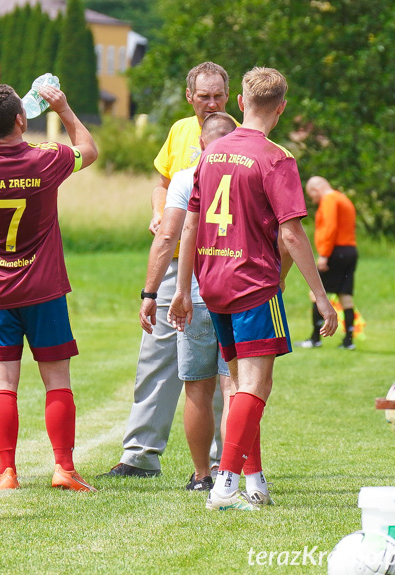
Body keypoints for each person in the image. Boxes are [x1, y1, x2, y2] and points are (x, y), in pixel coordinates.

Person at [168, 67, 338, 511]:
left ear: (240, 103)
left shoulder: (211, 152)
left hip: (214, 283)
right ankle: (225, 486)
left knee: (243, 385)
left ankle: (254, 480)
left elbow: (190, 222)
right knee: (254, 387)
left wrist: (184, 288)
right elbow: (292, 236)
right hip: (254, 286)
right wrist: (322, 298)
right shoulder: (277, 159)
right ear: (281, 108)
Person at [0, 84, 98, 491]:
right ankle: (64, 468)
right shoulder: (45, 158)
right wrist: (65, 108)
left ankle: (7, 472)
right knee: (57, 379)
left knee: (2, 383)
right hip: (44, 289)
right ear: (22, 119)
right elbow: (88, 150)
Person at [103, 61, 234, 479]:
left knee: (214, 366)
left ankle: (219, 459)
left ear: (228, 97)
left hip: (220, 262)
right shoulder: (180, 131)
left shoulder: (238, 133)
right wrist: (160, 211)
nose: (211, 103)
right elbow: (162, 181)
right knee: (156, 356)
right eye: (204, 96)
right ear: (189, 97)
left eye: (218, 96)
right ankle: (140, 455)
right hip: (177, 260)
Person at [138, 112, 237, 491]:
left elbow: (167, 237)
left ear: (200, 145)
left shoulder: (185, 177)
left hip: (195, 288)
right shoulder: (252, 171)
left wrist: (151, 293)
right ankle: (232, 471)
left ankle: (202, 476)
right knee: (234, 387)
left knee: (197, 387)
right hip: (239, 289)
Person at [299, 176, 358, 350]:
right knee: (345, 294)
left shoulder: (329, 200)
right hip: (350, 250)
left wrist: (324, 254)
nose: (313, 200)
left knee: (316, 293)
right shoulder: (343, 198)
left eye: (312, 195)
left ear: (316, 190)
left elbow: (329, 227)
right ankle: (348, 341)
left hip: (335, 252)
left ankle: (315, 338)